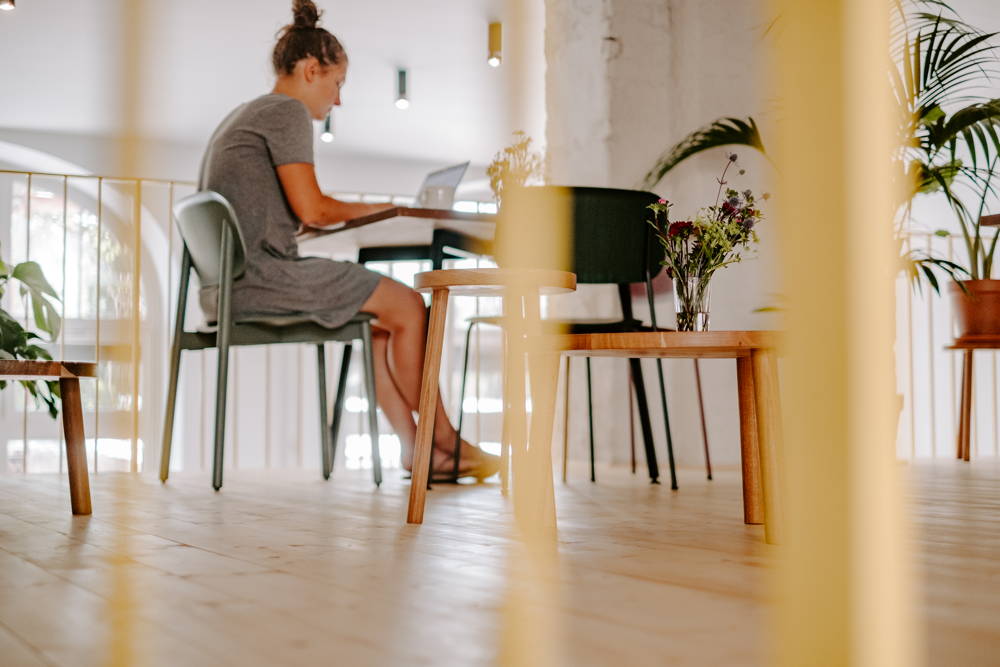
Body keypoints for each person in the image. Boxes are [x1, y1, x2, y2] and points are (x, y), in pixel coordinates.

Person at [198, 0, 498, 480]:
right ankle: (443, 438)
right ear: (312, 70)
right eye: (338, 84)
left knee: (382, 323)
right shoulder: (284, 111)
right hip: (261, 277)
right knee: (408, 306)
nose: (337, 101)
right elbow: (314, 208)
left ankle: (420, 451)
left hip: (231, 282)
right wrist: (388, 207)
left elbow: (291, 213)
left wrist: (321, 217)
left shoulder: (248, 113)